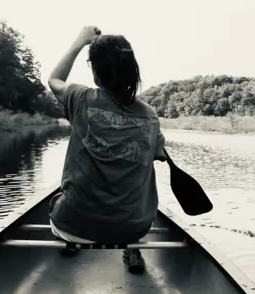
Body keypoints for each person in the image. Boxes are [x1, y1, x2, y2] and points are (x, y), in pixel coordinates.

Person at [47, 26, 166, 274]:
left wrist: (80, 41)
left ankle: (71, 241)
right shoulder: (151, 116)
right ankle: (132, 248)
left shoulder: (81, 98)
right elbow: (159, 155)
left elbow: (54, 80)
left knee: (61, 202)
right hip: (133, 229)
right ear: (133, 70)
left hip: (72, 225)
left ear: (96, 74)